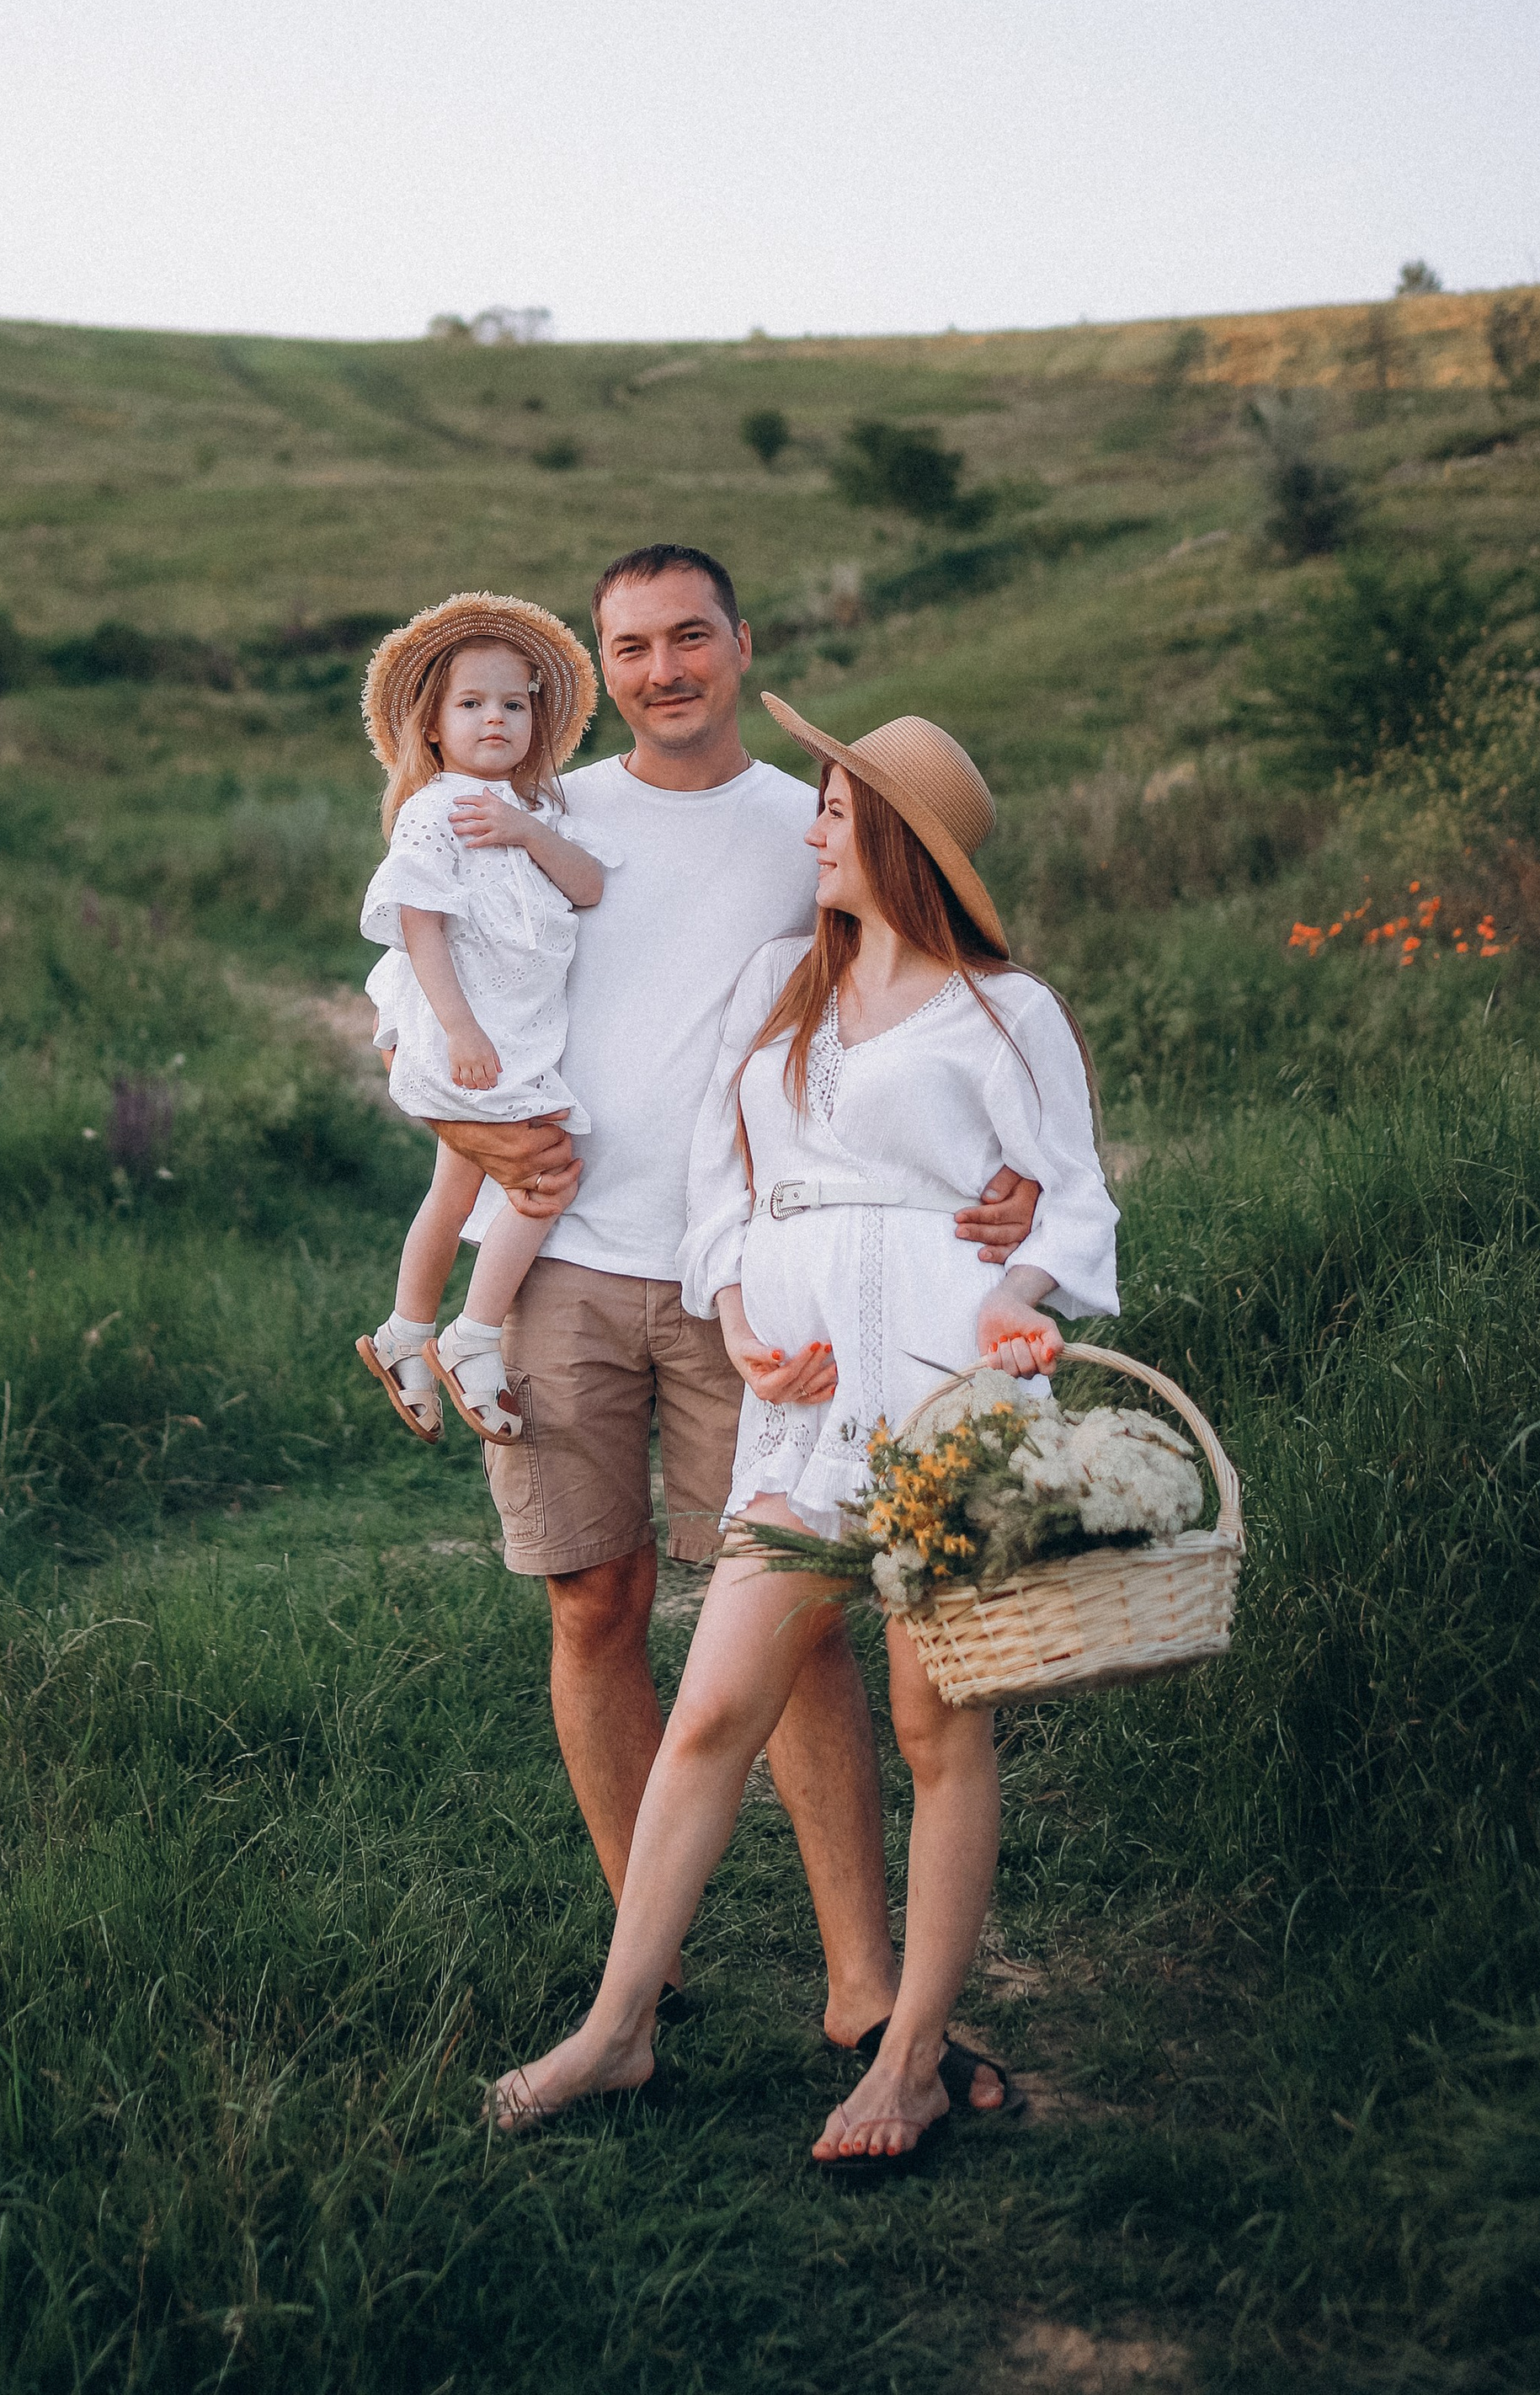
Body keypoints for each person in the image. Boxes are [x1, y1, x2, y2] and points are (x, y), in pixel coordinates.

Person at [424, 544, 1041, 2050]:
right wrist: (452, 1135)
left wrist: (1007, 1169)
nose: (662, 669)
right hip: (555, 1254)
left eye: (688, 637)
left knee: (801, 1613)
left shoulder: (806, 828)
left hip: (756, 1285)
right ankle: (651, 1969)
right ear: (601, 667)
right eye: (629, 647)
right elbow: (437, 995)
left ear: (742, 647)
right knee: (594, 1600)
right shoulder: (543, 816)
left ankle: (858, 1983)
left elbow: (930, 989)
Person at [488, 699, 1119, 2160]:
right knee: (713, 1709)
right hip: (801, 1402)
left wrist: (1021, 1297)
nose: (812, 830)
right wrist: (737, 1306)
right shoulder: (785, 982)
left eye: (835, 812)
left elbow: (1071, 1196)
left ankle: (899, 2060)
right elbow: (723, 1174)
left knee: (934, 1726)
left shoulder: (1004, 1009)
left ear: (896, 839)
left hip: (948, 1389)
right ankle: (618, 2029)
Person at [353, 595, 610, 1444]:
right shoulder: (437, 810)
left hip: (515, 1040)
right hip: (476, 1046)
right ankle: (475, 1334)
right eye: (469, 704)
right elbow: (419, 926)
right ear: (432, 726)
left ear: (535, 715)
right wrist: (460, 1030)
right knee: (546, 1179)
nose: (493, 718)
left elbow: (589, 885)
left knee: (455, 1185)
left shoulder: (536, 812)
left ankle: (406, 1332)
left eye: (511, 702)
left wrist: (523, 831)